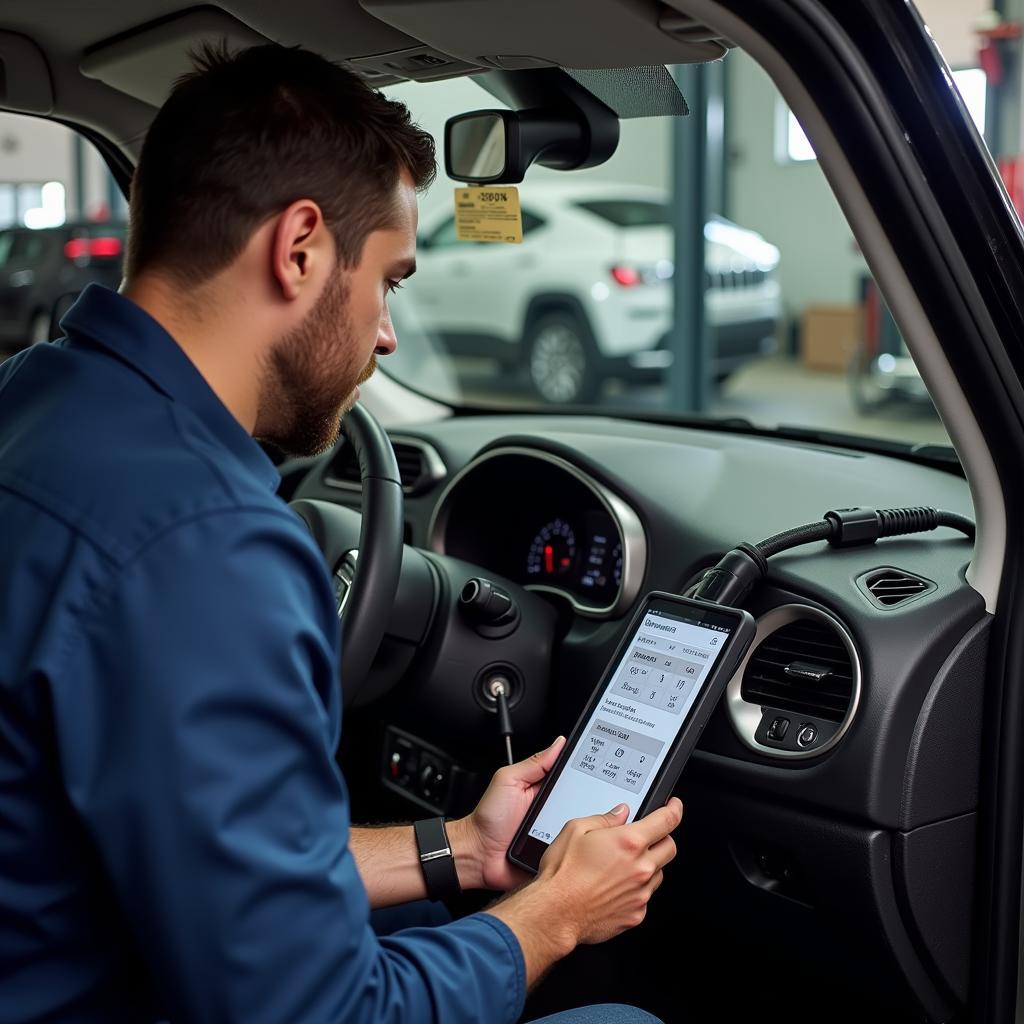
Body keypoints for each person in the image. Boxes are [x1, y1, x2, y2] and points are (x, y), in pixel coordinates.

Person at [0, 43, 682, 1023]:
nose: (387, 335)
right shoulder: (205, 545)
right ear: (302, 248)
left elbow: (222, 854)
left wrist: (469, 848)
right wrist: (553, 913)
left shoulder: (35, 399)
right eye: (390, 281)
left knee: (433, 919)